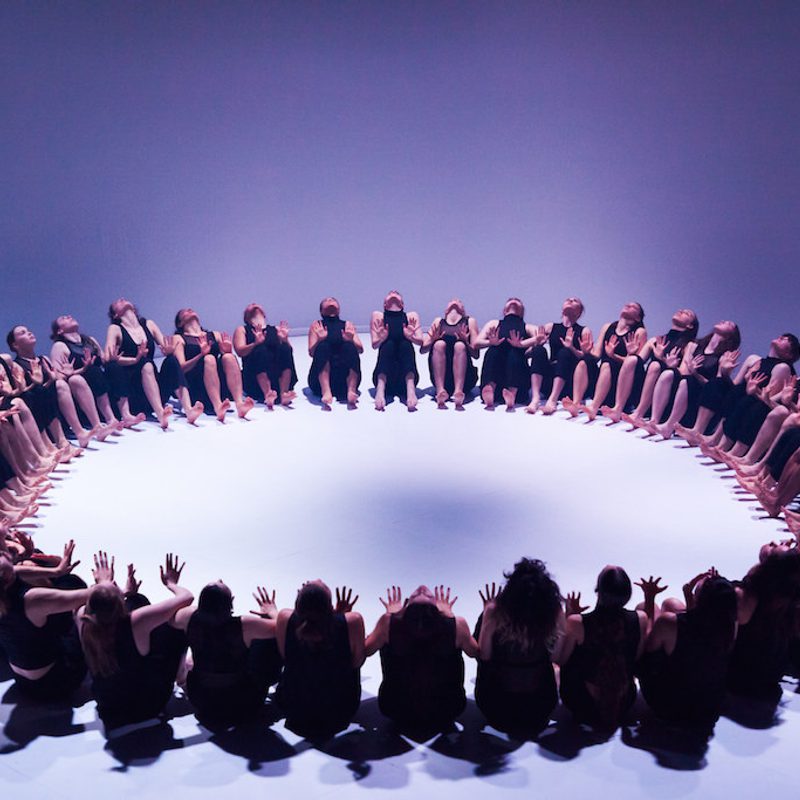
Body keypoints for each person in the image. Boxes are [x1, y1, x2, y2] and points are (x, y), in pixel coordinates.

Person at [77, 553, 192, 732]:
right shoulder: (136, 621)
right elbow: (186, 598)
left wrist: (109, 587)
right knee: (173, 627)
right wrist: (171, 583)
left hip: (109, 709)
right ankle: (182, 674)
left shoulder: (82, 619)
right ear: (119, 603)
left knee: (136, 601)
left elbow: (102, 609)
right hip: (148, 707)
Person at [365, 584, 477, 736]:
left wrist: (390, 616)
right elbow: (475, 652)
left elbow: (366, 650)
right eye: (420, 594)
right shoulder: (457, 624)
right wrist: (450, 616)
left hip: (395, 709)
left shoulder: (388, 623)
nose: (422, 588)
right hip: (448, 710)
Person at [172, 581, 282, 726]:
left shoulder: (187, 617)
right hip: (240, 702)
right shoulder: (245, 625)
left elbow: (172, 620)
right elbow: (283, 627)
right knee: (265, 642)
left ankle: (181, 677)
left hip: (201, 699)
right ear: (231, 602)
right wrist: (271, 611)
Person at [474, 559, 562, 737]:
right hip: (539, 711)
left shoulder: (495, 612)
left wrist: (486, 617)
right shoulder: (553, 613)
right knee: (555, 666)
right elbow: (557, 657)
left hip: (496, 710)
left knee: (487, 660)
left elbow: (483, 655)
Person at [638, 572, 738, 728]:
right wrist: (690, 595)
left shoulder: (668, 622)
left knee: (643, 609)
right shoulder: (730, 626)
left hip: (668, 708)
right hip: (707, 709)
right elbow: (699, 631)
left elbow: (647, 652)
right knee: (671, 604)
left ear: (701, 599)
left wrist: (649, 599)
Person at [557, 566, 648, 730]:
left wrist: (568, 616)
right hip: (624, 703)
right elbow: (637, 657)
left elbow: (561, 659)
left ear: (598, 591)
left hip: (582, 703)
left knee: (559, 665)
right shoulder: (640, 619)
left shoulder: (577, 622)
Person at [275, 581, 364, 738]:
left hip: (293, 709)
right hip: (339, 712)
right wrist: (339, 617)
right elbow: (357, 662)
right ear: (330, 607)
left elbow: (285, 656)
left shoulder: (284, 618)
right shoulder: (353, 621)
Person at [0, 543, 88, 700]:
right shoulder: (31, 599)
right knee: (84, 610)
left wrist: (56, 571)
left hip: (22, 682)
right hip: (54, 682)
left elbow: (16, 571)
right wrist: (106, 583)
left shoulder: (5, 589)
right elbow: (91, 595)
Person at [632, 320, 741, 439]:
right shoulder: (694, 345)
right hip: (682, 394)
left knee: (686, 382)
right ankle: (654, 420)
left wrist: (695, 373)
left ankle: (668, 427)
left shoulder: (725, 355)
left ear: (731, 335)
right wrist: (668, 363)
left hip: (700, 402)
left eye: (729, 324)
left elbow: (715, 387)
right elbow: (683, 372)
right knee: (669, 374)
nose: (724, 322)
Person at [104, 298, 201, 429]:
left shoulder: (148, 324)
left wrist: (169, 350)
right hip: (133, 392)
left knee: (171, 360)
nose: (122, 299)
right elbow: (108, 357)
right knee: (142, 364)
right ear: (115, 315)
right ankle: (158, 414)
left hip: (155, 388)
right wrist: (135, 359)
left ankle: (188, 410)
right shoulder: (115, 328)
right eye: (117, 302)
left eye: (124, 299)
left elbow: (165, 346)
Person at [7, 324, 101, 448]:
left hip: (56, 404)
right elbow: (25, 394)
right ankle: (65, 438)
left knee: (69, 381)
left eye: (28, 330)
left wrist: (77, 370)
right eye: (22, 333)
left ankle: (88, 429)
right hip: (39, 410)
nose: (29, 333)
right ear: (15, 345)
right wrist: (41, 382)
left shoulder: (44, 359)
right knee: (53, 387)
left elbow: (58, 380)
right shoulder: (16, 366)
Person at [600, 308, 698, 424]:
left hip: (666, 395)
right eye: (681, 310)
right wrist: (630, 353)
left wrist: (664, 361)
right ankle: (618, 408)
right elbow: (636, 363)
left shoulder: (689, 345)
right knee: (632, 360)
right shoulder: (655, 340)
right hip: (644, 391)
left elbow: (684, 373)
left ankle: (639, 414)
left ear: (690, 326)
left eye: (687, 313)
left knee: (655, 365)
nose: (681, 311)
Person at [562, 302, 648, 421]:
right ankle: (576, 403)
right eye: (627, 304)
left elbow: (635, 363)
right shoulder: (608, 327)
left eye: (633, 307)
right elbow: (597, 355)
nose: (628, 306)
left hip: (621, 386)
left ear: (638, 318)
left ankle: (594, 407)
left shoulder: (639, 331)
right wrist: (586, 351)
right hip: (602, 381)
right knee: (585, 360)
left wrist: (614, 356)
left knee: (607, 363)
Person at [173, 308, 254, 421]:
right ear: (180, 323)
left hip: (217, 383)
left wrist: (227, 350)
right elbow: (181, 368)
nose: (190, 310)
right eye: (185, 312)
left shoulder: (214, 335)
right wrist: (201, 355)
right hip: (197, 385)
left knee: (229, 357)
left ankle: (239, 404)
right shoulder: (179, 338)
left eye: (190, 310)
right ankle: (218, 407)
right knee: (209, 358)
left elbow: (227, 360)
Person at [527, 297, 592, 415]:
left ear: (579, 312)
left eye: (575, 301)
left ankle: (552, 400)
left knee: (565, 352)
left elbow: (585, 358)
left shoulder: (584, 330)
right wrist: (538, 343)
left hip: (568, 379)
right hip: (550, 376)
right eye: (568, 299)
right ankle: (535, 398)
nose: (570, 301)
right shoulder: (551, 327)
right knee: (538, 350)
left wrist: (571, 348)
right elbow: (532, 347)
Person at [475, 298, 538, 410]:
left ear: (522, 311)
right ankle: (490, 389)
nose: (513, 301)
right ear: (504, 310)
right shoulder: (494, 323)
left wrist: (521, 345)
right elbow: (476, 343)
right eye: (510, 300)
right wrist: (490, 342)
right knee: (494, 350)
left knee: (515, 352)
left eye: (517, 301)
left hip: (519, 383)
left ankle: (512, 393)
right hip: (497, 377)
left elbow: (539, 338)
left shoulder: (527, 327)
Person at [232, 303, 297, 409]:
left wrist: (285, 340)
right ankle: (267, 393)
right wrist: (255, 344)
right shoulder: (242, 330)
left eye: (256, 305)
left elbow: (289, 353)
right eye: (250, 306)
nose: (253, 304)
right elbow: (240, 351)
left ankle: (284, 393)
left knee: (285, 348)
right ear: (246, 318)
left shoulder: (275, 329)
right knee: (260, 349)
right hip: (254, 379)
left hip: (277, 377)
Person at [419, 298, 479, 410]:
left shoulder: (470, 322)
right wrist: (432, 340)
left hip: (465, 379)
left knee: (459, 345)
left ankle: (458, 392)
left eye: (459, 301)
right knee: (439, 344)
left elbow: (476, 354)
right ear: (446, 310)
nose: (455, 300)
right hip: (442, 378)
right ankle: (440, 391)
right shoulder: (438, 322)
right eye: (451, 301)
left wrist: (466, 342)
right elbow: (423, 350)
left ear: (463, 310)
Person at [307, 297, 363, 409]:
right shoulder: (317, 326)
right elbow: (312, 352)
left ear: (339, 309)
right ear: (321, 311)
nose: (330, 301)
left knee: (349, 346)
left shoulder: (347, 325)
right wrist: (319, 340)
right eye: (327, 300)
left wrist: (351, 339)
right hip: (319, 383)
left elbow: (360, 349)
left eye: (332, 299)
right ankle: (326, 391)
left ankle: (351, 390)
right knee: (323, 346)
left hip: (343, 380)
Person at [371, 291, 422, 411]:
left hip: (405, 380)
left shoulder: (411, 316)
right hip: (386, 380)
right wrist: (381, 338)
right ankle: (380, 390)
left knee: (405, 344)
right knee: (388, 344)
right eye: (390, 293)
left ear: (402, 304)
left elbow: (420, 342)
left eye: (396, 293)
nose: (393, 292)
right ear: (384, 304)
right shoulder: (378, 316)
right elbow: (374, 345)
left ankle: (410, 390)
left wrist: (411, 337)